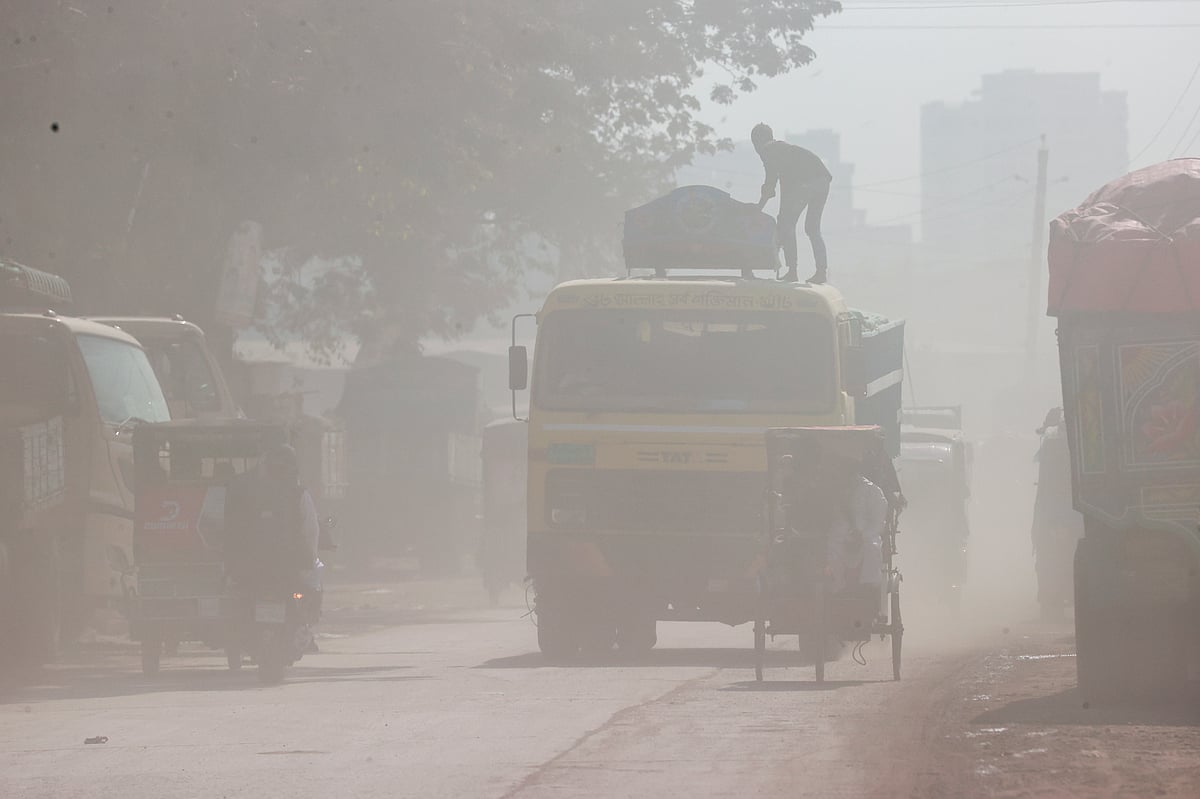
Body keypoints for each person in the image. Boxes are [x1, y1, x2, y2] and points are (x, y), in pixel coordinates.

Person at [224, 443, 324, 622]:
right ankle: (307, 626)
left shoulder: (246, 492)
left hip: (250, 566)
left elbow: (233, 531)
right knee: (313, 582)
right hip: (288, 566)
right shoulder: (299, 493)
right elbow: (311, 531)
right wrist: (308, 561)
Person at [750, 123, 833, 284]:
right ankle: (821, 272)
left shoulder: (767, 151)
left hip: (806, 183)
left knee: (787, 224)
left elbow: (770, 183)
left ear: (757, 141)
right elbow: (783, 186)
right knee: (812, 228)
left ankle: (792, 271)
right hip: (822, 180)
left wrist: (758, 209)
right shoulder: (782, 149)